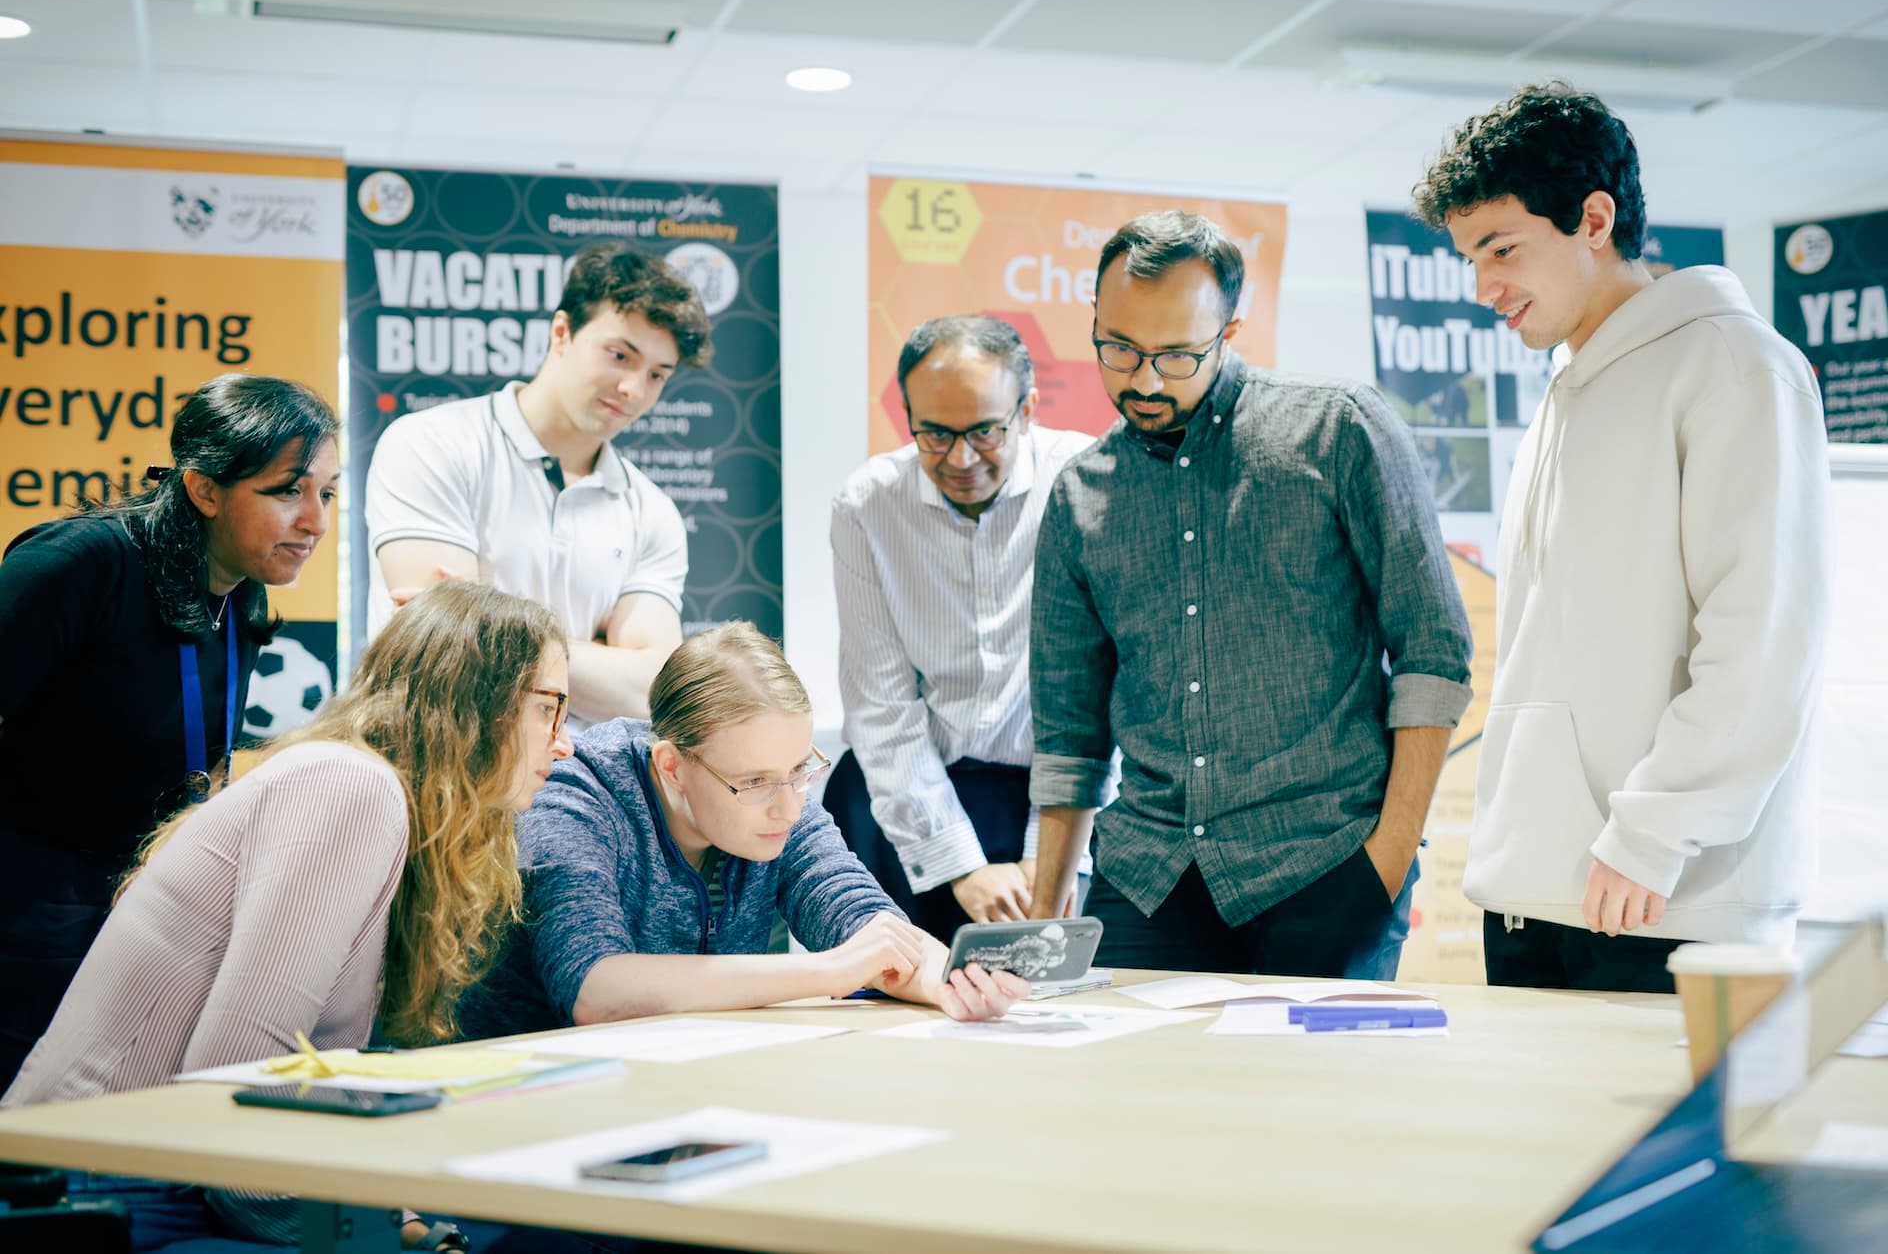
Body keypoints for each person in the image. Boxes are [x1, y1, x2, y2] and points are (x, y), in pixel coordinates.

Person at [3, 580, 573, 1253]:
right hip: (102, 1194)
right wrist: (392, 1229)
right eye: (548, 709)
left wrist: (395, 1213)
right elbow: (235, 1097)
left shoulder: (365, 792)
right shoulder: (350, 787)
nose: (563, 744)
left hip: (154, 1179)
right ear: (472, 703)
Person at [1415, 82, 1831, 991]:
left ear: (1594, 220)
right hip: (1537, 894)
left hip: (1665, 898)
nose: (1484, 288)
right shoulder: (1572, 388)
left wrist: (1652, 836)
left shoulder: (1735, 367)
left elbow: (1762, 642)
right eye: (1470, 258)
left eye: (1502, 249)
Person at [1027, 211, 1474, 979]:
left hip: (1325, 860)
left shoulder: (1339, 430)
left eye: (1177, 355)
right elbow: (1070, 734)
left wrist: (1391, 855)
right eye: (1119, 348)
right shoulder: (1079, 495)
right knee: (1117, 1059)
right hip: (1149, 872)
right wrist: (1044, 919)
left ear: (1229, 332)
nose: (1144, 380)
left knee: (1306, 1066)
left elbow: (1433, 649)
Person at [0, 373, 340, 1092]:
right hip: (31, 907)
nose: (315, 521)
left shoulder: (243, 586)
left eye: (328, 494)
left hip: (140, 902)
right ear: (204, 490)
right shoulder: (82, 562)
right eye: (288, 491)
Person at [454, 621, 1027, 1042]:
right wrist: (826, 970)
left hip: (683, 1079)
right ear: (672, 766)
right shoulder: (574, 796)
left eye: (800, 770)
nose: (789, 808)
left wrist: (950, 981)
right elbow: (595, 991)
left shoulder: (781, 794)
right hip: (522, 1098)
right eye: (754, 782)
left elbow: (863, 922)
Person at [365, 240, 712, 731]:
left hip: (576, 773)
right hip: (429, 759)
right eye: (620, 355)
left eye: (657, 375)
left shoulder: (652, 512)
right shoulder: (432, 443)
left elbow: (648, 690)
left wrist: (487, 623)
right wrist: (595, 659)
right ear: (561, 331)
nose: (634, 389)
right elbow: (438, 652)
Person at [824, 314, 1094, 941]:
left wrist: (1050, 854)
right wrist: (960, 866)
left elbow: (1100, 695)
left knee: (1062, 989)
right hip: (909, 796)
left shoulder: (1085, 483)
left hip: (1061, 798)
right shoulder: (866, 505)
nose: (961, 458)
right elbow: (881, 705)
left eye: (984, 432)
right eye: (935, 434)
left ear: (1027, 409)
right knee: (887, 990)